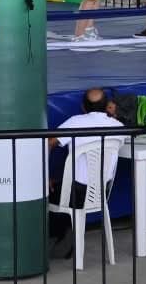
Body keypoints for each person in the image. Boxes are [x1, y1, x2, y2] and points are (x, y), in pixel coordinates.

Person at [47, 88, 124, 259]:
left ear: (83, 107)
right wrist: (113, 116)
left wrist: (44, 176)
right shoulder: (118, 127)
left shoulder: (75, 122)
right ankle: (65, 239)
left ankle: (57, 240)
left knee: (47, 190)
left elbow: (49, 143)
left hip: (75, 194)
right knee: (61, 187)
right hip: (102, 193)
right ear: (107, 106)